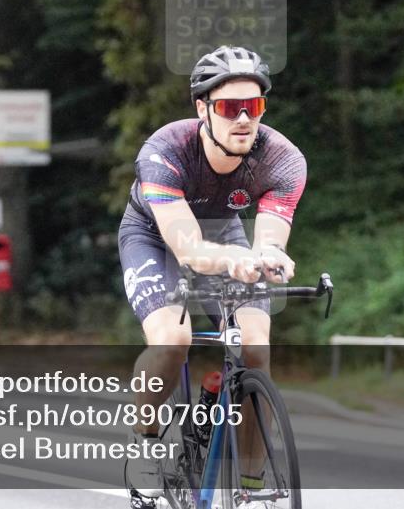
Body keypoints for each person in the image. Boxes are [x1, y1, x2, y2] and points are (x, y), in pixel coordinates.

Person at [118, 46, 306, 507]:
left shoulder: (283, 159)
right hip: (156, 233)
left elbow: (269, 239)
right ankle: (145, 441)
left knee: (256, 347)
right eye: (228, 107)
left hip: (223, 229)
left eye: (253, 106)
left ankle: (251, 482)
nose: (243, 118)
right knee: (172, 340)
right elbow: (187, 248)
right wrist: (234, 260)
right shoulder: (165, 151)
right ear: (202, 109)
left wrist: (270, 257)